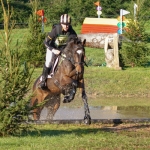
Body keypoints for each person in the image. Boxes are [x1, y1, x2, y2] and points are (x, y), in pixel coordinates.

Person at [39, 14, 77, 89]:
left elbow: (75, 43)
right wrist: (53, 50)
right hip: (52, 48)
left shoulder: (72, 32)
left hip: (62, 50)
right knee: (49, 61)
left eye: (68, 24)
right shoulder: (56, 30)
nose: (66, 26)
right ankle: (43, 79)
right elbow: (45, 42)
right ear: (61, 23)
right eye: (64, 24)